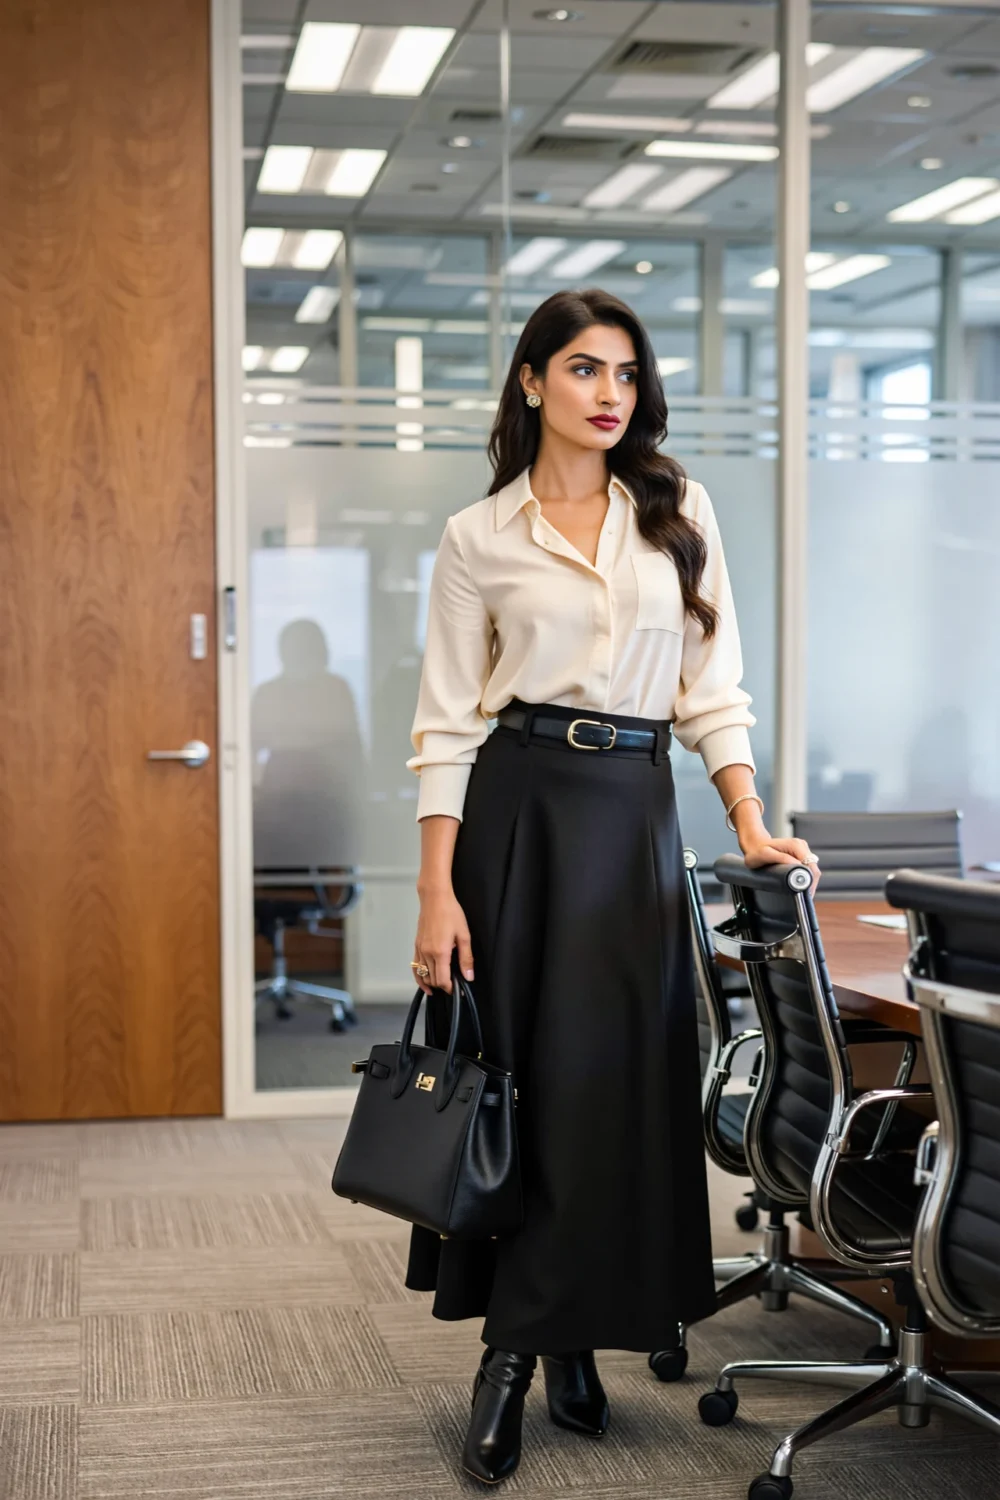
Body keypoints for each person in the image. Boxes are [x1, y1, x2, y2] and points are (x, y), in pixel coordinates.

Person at [404, 288, 819, 1486]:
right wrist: (436, 892)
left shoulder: (674, 509)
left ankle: (572, 1332)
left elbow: (711, 689)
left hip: (634, 814)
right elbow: (442, 727)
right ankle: (514, 1358)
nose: (608, 395)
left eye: (626, 375)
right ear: (531, 381)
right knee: (526, 1080)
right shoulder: (478, 536)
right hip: (519, 812)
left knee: (615, 1086)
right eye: (584, 370)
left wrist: (750, 820)